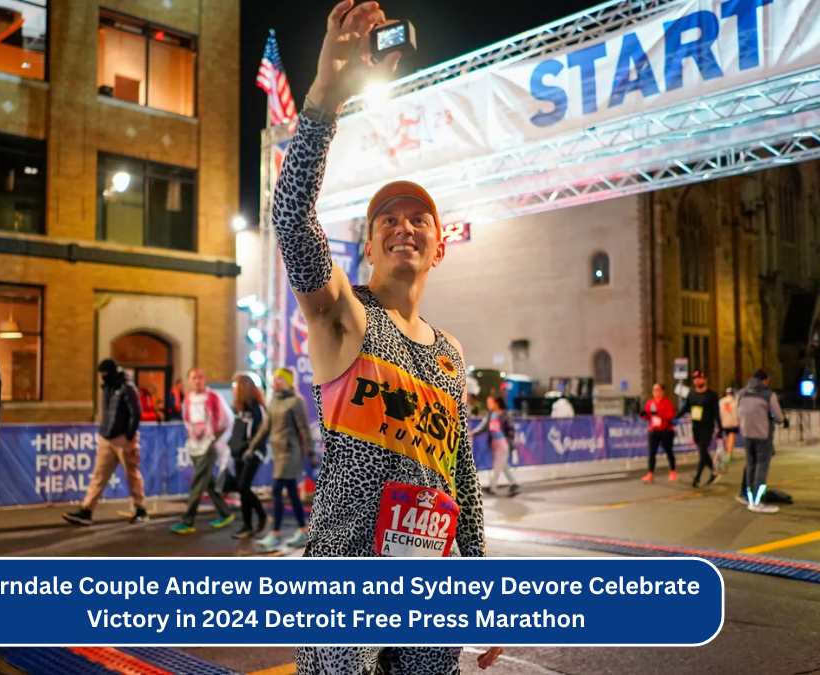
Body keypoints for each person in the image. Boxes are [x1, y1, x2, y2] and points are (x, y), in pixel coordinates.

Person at [273, 2, 500, 670]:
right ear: (368, 246)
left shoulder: (449, 350)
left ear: (440, 248)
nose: (405, 226)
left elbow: (461, 474)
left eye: (420, 218)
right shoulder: (343, 315)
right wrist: (322, 101)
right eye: (388, 219)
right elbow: (292, 221)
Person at [63, 359, 146, 526]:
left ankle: (140, 510)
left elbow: (136, 412)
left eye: (104, 374)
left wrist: (129, 436)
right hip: (107, 438)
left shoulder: (126, 387)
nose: (102, 378)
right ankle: (86, 511)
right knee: (99, 476)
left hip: (123, 439)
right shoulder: (108, 387)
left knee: (132, 476)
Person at [171, 368, 234, 534]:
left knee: (198, 482)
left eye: (200, 377)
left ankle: (188, 520)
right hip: (195, 446)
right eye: (194, 378)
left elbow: (226, 420)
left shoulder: (213, 397)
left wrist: (214, 438)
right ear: (189, 381)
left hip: (209, 446)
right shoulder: (188, 400)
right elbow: (187, 420)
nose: (197, 381)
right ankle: (225, 512)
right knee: (208, 482)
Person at [256, 369, 310, 549]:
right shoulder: (274, 401)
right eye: (275, 377)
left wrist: (309, 452)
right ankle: (303, 529)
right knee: (292, 492)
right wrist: (253, 446)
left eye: (280, 378)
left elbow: (303, 429)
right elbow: (266, 427)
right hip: (279, 453)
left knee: (277, 489)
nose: (276, 381)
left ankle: (275, 532)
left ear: (288, 381)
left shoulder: (296, 402)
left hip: (291, 452)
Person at [736, 369, 784, 514]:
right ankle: (757, 502)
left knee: (750, 466)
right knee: (761, 468)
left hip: (746, 434)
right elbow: (779, 417)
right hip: (763, 436)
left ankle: (750, 499)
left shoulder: (742, 393)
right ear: (767, 380)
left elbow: (738, 412)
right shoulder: (768, 394)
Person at [228, 374, 269, 539]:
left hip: (253, 452)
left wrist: (250, 448)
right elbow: (236, 430)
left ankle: (262, 515)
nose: (234, 388)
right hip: (238, 452)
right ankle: (247, 525)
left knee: (244, 485)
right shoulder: (238, 407)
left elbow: (262, 432)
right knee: (241, 488)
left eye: (237, 385)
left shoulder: (257, 408)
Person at [677, 371, 721, 488]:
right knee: (703, 451)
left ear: (705, 380)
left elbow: (716, 412)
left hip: (707, 427)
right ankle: (714, 472)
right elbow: (686, 408)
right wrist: (675, 418)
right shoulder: (692, 395)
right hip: (696, 426)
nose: (698, 380)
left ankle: (697, 478)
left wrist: (720, 427)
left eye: (700, 378)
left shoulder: (711, 395)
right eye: (695, 378)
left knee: (702, 450)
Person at [472, 395, 520, 497]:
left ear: (496, 403)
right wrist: (473, 433)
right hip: (494, 443)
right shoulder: (490, 415)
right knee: (503, 465)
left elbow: (511, 429)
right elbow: (483, 427)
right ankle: (514, 484)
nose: (488, 405)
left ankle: (492, 487)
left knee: (497, 465)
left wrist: (508, 441)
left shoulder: (504, 415)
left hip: (502, 443)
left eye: (490, 402)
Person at [641, 383, 678, 483]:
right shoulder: (650, 402)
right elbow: (647, 416)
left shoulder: (667, 403)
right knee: (652, 452)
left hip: (666, 431)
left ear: (662, 392)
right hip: (653, 430)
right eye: (654, 390)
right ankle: (650, 473)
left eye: (657, 390)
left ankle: (672, 471)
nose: (655, 392)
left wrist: (660, 416)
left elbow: (670, 416)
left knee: (669, 452)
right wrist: (643, 414)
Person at [717, 386, 740, 471]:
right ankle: (729, 455)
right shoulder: (735, 401)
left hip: (724, 422)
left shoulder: (721, 401)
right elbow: (738, 412)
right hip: (733, 422)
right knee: (732, 438)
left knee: (727, 438)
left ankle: (728, 453)